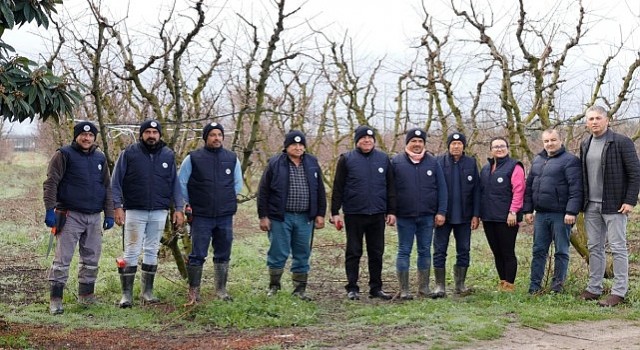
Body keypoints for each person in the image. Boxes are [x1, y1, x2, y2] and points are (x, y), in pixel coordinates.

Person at [43, 121, 115, 315]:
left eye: (91, 135)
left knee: (91, 258)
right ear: (76, 136)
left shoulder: (100, 158)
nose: (87, 138)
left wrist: (109, 213)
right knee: (62, 259)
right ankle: (56, 300)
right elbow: (51, 183)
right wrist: (50, 209)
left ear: (94, 138)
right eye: (83, 135)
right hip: (70, 215)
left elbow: (107, 187)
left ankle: (86, 296)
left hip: (94, 217)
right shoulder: (63, 154)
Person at [111, 119, 185, 308]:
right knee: (132, 250)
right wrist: (117, 206)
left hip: (159, 211)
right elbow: (116, 181)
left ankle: (147, 292)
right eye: (148, 132)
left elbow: (175, 184)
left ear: (159, 134)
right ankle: (126, 295)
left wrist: (178, 208)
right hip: (135, 210)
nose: (151, 135)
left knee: (152, 250)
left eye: (155, 132)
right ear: (141, 134)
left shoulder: (167, 155)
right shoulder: (129, 153)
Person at [578, 105, 640, 307]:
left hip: (615, 205)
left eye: (598, 118)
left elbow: (635, 173)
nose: (594, 122)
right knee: (594, 247)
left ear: (607, 120)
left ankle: (619, 292)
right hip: (591, 206)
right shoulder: (585, 144)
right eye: (590, 119)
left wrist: (630, 200)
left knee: (618, 248)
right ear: (587, 123)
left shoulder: (621, 142)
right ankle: (594, 288)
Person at [257, 130, 327, 300]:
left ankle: (299, 290)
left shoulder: (312, 162)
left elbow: (320, 190)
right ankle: (274, 287)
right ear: (286, 146)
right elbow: (263, 191)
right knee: (278, 252)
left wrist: (320, 214)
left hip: (305, 217)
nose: (298, 147)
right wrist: (263, 215)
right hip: (281, 217)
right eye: (294, 144)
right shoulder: (275, 163)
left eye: (301, 144)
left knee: (302, 253)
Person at [178, 122, 243, 305]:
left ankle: (221, 290)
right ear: (206, 137)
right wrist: (191, 203)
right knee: (197, 253)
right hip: (201, 215)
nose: (217, 138)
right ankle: (194, 293)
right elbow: (182, 183)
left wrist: (225, 198)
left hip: (224, 214)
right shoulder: (193, 158)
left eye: (219, 135)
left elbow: (237, 184)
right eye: (213, 135)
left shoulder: (232, 158)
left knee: (223, 252)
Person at [331, 125, 397, 301]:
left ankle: (376, 288)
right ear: (357, 141)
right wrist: (334, 212)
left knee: (376, 252)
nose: (367, 141)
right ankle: (352, 287)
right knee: (354, 251)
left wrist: (391, 210)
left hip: (377, 214)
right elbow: (338, 187)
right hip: (354, 213)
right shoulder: (346, 159)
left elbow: (390, 187)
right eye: (363, 138)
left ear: (374, 140)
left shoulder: (383, 159)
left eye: (370, 138)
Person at [522, 129, 582, 295]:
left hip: (561, 215)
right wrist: (527, 210)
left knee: (561, 251)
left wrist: (571, 211)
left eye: (553, 140)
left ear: (560, 140)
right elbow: (529, 187)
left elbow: (576, 189)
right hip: (540, 214)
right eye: (546, 141)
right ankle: (534, 287)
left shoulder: (570, 161)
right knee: (538, 251)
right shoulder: (538, 160)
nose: (550, 143)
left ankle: (557, 288)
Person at [391, 128, 447, 300]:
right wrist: (391, 211)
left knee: (424, 251)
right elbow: (390, 190)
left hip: (427, 216)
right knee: (404, 251)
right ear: (407, 143)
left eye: (420, 141)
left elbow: (442, 188)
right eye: (413, 141)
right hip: (404, 216)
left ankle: (424, 288)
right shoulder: (396, 162)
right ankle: (404, 289)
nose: (417, 144)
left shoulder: (432, 162)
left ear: (424, 143)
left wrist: (441, 211)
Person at [433, 132, 480, 297]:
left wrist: (476, 214)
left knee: (464, 250)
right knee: (439, 250)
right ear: (448, 146)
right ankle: (440, 286)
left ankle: (460, 285)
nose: (456, 146)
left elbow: (476, 191)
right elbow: (434, 189)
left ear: (464, 146)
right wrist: (437, 211)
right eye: (453, 143)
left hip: (465, 217)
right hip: (443, 216)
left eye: (459, 143)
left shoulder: (471, 163)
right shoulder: (438, 162)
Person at [479, 136, 525, 292]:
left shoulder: (515, 167)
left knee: (507, 251)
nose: (499, 149)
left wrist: (513, 211)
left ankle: (510, 285)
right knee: (496, 252)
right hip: (489, 217)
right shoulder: (486, 169)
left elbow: (518, 191)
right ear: (491, 150)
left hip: (507, 218)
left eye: (502, 146)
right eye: (496, 146)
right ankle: (503, 282)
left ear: (507, 148)